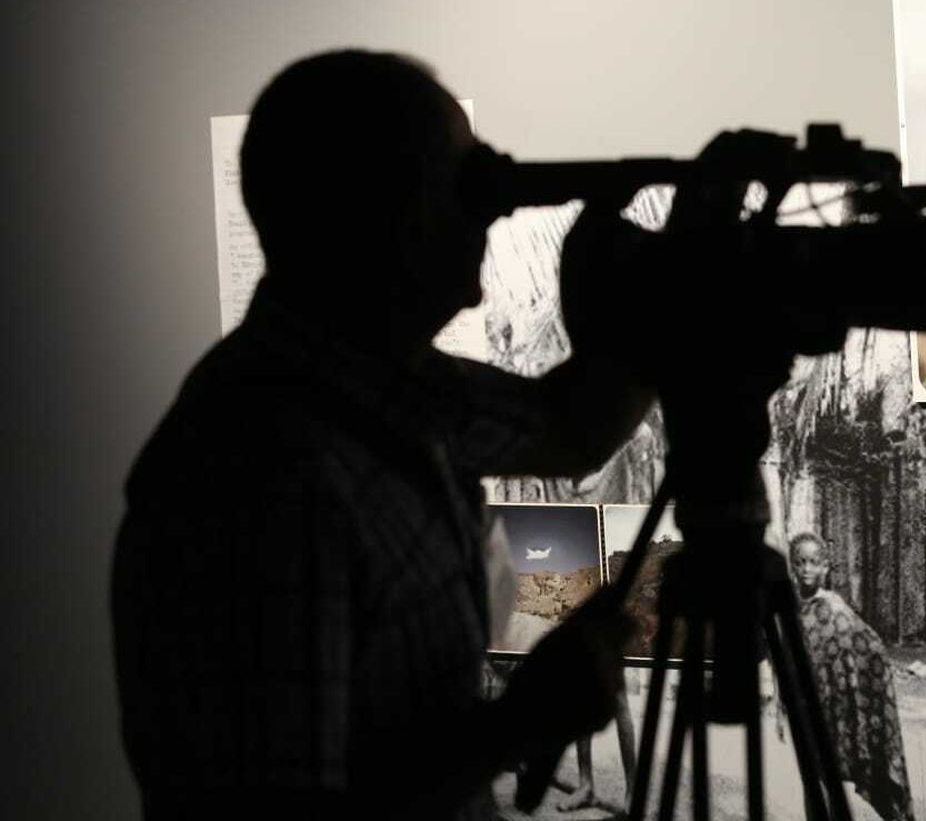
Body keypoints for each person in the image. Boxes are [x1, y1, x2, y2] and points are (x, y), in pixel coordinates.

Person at [112, 51, 655, 821]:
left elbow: (573, 429)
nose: (493, 212)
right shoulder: (257, 471)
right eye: (468, 186)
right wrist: (517, 724)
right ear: (385, 211)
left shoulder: (395, 384)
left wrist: (665, 295)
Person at [788, 531, 915, 821]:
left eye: (813, 562)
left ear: (825, 567)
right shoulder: (792, 610)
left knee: (832, 780)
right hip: (805, 710)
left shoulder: (834, 608)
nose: (806, 568)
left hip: (836, 710)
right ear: (793, 566)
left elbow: (869, 647)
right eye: (800, 562)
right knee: (811, 779)